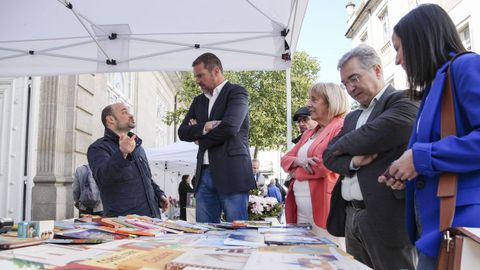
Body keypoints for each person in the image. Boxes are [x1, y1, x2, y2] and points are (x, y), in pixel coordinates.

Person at [378, 4, 480, 269]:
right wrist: (406, 171)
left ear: (420, 40)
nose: (398, 59)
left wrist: (421, 158)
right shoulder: (436, 84)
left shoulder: (465, 66)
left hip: (462, 229)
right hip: (438, 230)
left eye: (399, 47)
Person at [323, 45, 418, 270]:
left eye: (354, 78)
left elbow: (368, 138)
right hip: (351, 215)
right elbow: (327, 156)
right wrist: (353, 161)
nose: (350, 88)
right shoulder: (352, 116)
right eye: (345, 83)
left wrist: (342, 144)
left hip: (386, 217)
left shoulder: (404, 100)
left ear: (376, 70)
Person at [178, 52, 256, 223]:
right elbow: (182, 132)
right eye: (195, 76)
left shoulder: (237, 93)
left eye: (200, 75)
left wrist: (200, 137)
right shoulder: (198, 101)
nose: (197, 80)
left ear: (216, 70)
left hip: (232, 172)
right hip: (203, 174)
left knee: (237, 235)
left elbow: (230, 127)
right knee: (204, 235)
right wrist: (205, 127)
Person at [281, 82, 349, 234]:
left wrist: (295, 173)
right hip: (300, 209)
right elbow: (285, 158)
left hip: (324, 207)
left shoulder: (341, 127)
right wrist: (299, 162)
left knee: (327, 255)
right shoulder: (309, 133)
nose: (308, 104)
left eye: (314, 100)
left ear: (330, 102)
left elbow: (326, 165)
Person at [87, 103, 169, 218]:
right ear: (111, 119)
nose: (130, 115)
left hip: (152, 220)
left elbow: (147, 178)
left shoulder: (138, 147)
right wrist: (122, 153)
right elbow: (103, 178)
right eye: (124, 112)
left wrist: (159, 195)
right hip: (124, 225)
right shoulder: (98, 148)